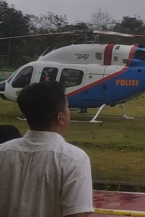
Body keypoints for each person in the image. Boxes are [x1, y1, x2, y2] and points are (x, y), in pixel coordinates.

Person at [0, 81, 94, 217]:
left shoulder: (3, 152)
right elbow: (78, 213)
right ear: (60, 117)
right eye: (68, 108)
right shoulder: (74, 159)